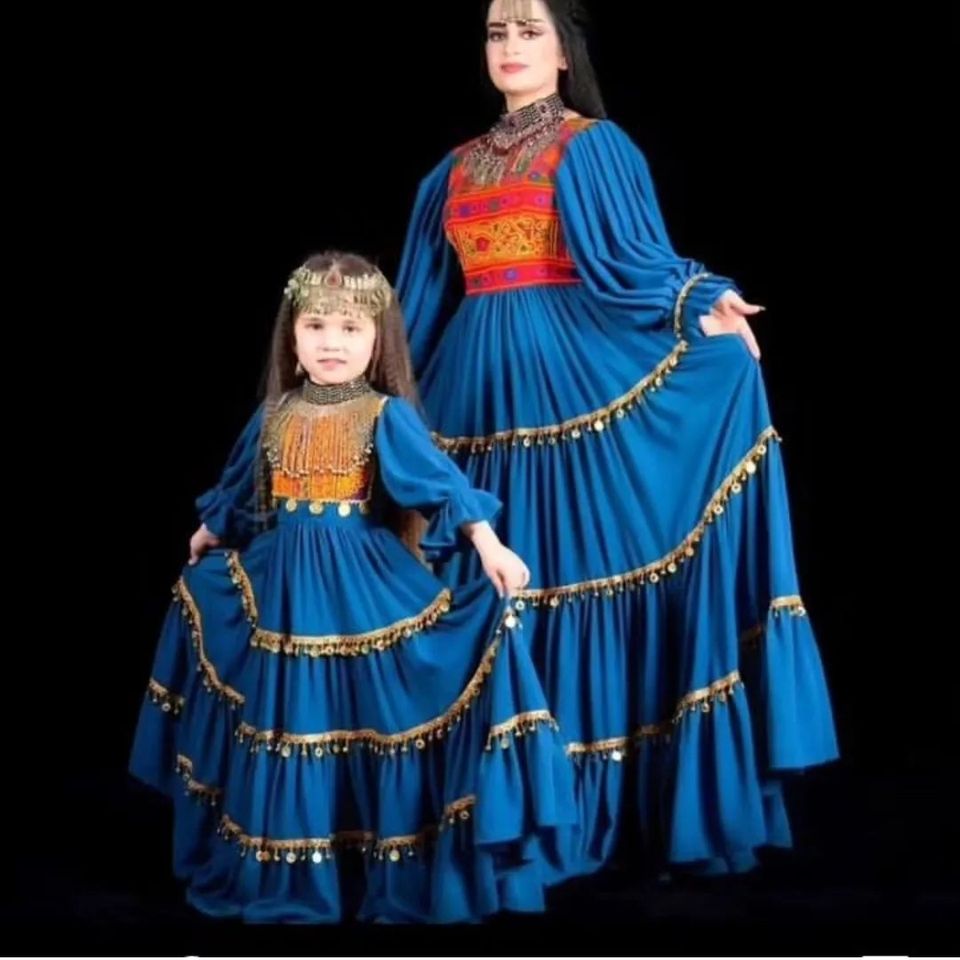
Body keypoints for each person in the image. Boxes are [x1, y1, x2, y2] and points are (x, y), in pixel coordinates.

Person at [394, 0, 838, 879]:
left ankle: (589, 816)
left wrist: (698, 299)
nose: (510, 46)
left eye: (529, 29)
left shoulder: (593, 147)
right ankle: (504, 817)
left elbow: (635, 262)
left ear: (565, 51)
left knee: (575, 575)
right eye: (496, 32)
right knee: (486, 589)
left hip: (574, 381)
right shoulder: (449, 172)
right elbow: (413, 310)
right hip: (470, 395)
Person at [130, 251, 578, 923]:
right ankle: (296, 879)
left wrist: (489, 545)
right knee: (292, 713)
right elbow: (243, 490)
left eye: (350, 328)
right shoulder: (275, 413)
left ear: (377, 340)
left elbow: (441, 486)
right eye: (315, 326)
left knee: (370, 715)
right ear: (292, 335)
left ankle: (374, 868)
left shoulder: (384, 415)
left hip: (363, 586)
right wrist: (209, 533)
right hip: (283, 589)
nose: (331, 342)